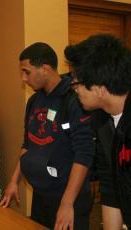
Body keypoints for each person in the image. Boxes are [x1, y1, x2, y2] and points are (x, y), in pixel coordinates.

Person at [0, 42, 95, 229]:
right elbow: (27, 145)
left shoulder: (74, 99)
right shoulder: (34, 101)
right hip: (42, 195)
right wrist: (13, 182)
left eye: (27, 72)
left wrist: (67, 204)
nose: (23, 79)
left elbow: (84, 153)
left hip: (69, 198)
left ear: (45, 68)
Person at [64, 33, 131, 230]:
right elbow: (110, 187)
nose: (74, 90)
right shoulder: (101, 122)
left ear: (100, 89)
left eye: (76, 83)